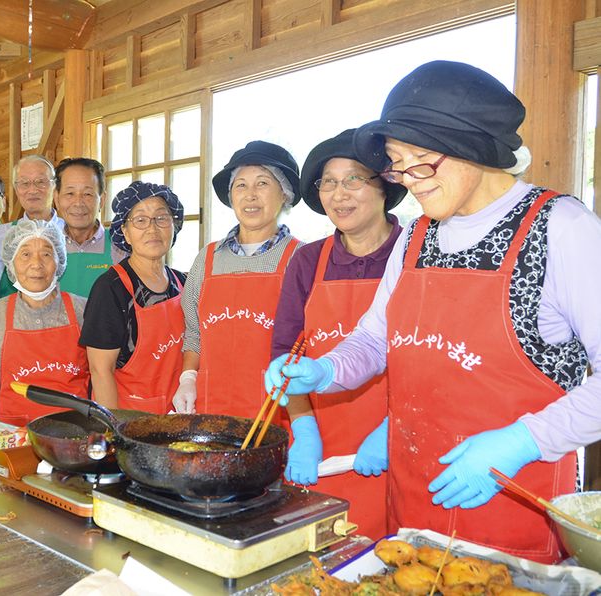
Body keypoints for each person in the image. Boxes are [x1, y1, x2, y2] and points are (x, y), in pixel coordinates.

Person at [267, 61, 601, 563]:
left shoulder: (562, 228)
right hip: (413, 506)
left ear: (476, 146)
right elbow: (376, 339)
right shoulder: (418, 238)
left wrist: (522, 441)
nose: (409, 180)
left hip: (512, 508)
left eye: (421, 160)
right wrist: (326, 370)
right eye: (398, 164)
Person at [270, 129, 407, 540]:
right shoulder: (307, 261)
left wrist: (393, 428)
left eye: (353, 179)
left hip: (396, 445)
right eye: (328, 181)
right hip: (322, 447)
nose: (339, 193)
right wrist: (304, 428)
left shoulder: (417, 255)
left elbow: (434, 362)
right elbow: (286, 354)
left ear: (384, 185)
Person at [174, 141, 301, 421]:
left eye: (263, 183)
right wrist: (188, 378)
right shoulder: (207, 259)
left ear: (285, 194)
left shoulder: (300, 259)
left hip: (275, 411)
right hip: (210, 409)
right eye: (241, 185)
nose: (250, 195)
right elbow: (194, 334)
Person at [80, 182, 185, 414]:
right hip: (130, 418)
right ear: (125, 233)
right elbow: (100, 370)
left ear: (174, 227)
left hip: (177, 415)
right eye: (140, 220)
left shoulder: (182, 283)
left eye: (161, 218)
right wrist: (115, 430)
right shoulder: (111, 288)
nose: (152, 228)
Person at [0, 220, 89, 424]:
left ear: (59, 261)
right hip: (13, 433)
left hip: (74, 432)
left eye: (46, 254)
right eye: (25, 254)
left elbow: (100, 377)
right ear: (11, 262)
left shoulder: (83, 311)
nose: (36, 264)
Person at [0, 155, 64, 296]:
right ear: (16, 189)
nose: (33, 190)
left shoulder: (69, 231)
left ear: (54, 186)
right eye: (24, 183)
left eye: (41, 182)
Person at [53, 157, 129, 297]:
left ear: (102, 200)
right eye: (70, 193)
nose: (78, 203)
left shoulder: (120, 246)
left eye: (87, 194)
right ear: (56, 198)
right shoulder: (48, 245)